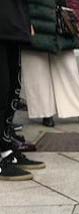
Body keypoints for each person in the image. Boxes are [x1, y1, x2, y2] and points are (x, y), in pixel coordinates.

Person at [21, 0, 79, 128]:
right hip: (35, 19)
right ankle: (45, 112)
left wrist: (78, 22)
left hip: (59, 21)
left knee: (68, 69)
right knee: (37, 70)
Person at [1, 0, 46, 181]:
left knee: (12, 88)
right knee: (2, 90)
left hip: (13, 21)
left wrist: (26, 20)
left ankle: (6, 148)